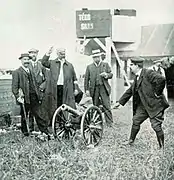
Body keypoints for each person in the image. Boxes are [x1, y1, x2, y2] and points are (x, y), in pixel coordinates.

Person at [115, 57, 169, 148]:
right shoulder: (137, 76)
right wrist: (120, 102)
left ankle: (162, 147)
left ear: (137, 65)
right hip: (144, 106)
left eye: (131, 65)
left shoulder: (148, 73)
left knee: (156, 126)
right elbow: (130, 91)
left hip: (155, 105)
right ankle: (131, 141)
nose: (130, 67)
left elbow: (161, 80)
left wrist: (157, 93)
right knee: (136, 120)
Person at [12, 53, 50, 138]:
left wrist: (38, 94)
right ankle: (25, 133)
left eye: (27, 59)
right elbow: (14, 87)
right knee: (24, 116)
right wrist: (18, 97)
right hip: (24, 98)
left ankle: (44, 131)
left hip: (33, 97)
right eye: (24, 59)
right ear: (21, 60)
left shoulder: (31, 71)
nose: (26, 61)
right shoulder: (17, 72)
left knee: (39, 114)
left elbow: (35, 84)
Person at [41, 47, 79, 124]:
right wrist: (48, 53)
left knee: (65, 105)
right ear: (57, 54)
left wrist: (76, 89)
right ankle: (54, 122)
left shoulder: (70, 65)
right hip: (54, 88)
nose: (63, 54)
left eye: (64, 53)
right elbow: (43, 62)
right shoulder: (52, 63)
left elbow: (75, 79)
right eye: (61, 53)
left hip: (66, 89)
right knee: (54, 104)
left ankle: (65, 121)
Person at [84, 49, 113, 126]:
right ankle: (97, 122)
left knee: (106, 105)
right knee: (95, 105)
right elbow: (86, 79)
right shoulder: (89, 67)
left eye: (97, 57)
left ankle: (109, 122)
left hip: (103, 88)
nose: (96, 59)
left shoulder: (105, 65)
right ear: (92, 58)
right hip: (94, 89)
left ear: (100, 57)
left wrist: (106, 75)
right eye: (94, 57)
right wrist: (86, 89)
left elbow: (111, 74)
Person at [28, 48, 47, 132]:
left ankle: (42, 128)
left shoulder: (41, 65)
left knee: (40, 110)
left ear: (37, 54)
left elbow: (47, 78)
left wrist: (42, 87)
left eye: (35, 53)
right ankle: (30, 128)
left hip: (40, 91)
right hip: (30, 91)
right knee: (30, 111)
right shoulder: (27, 65)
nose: (33, 55)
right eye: (31, 53)